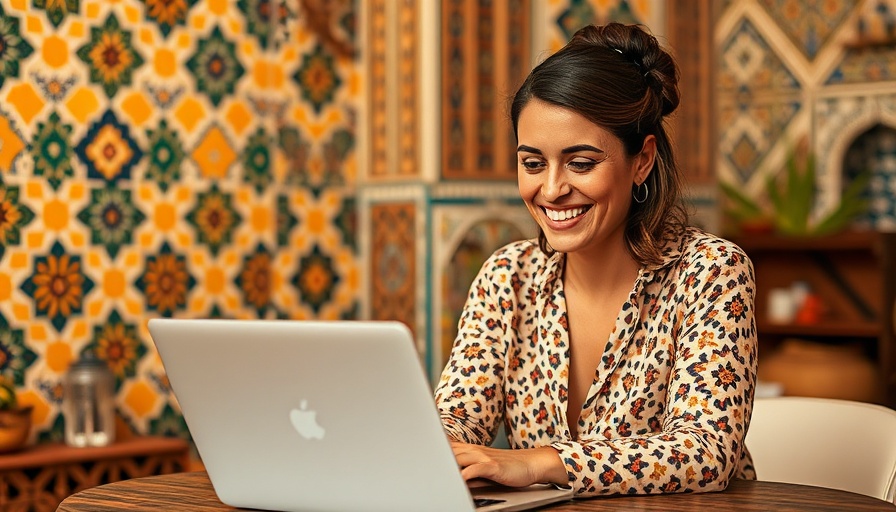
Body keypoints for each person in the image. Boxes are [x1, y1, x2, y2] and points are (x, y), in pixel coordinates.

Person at [434, 22, 757, 498]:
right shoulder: (508, 275)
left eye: (581, 163)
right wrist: (434, 444)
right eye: (532, 163)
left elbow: (704, 453)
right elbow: (461, 414)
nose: (551, 189)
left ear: (642, 160)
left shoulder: (711, 272)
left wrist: (539, 464)